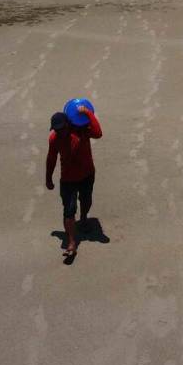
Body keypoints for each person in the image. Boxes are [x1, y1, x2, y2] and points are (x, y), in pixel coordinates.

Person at [46, 106, 103, 258]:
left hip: (87, 174)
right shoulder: (54, 138)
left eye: (62, 128)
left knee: (86, 201)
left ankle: (84, 218)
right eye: (56, 129)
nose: (59, 132)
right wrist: (48, 178)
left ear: (68, 124)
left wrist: (87, 113)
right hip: (68, 179)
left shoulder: (81, 130)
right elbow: (51, 159)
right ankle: (72, 242)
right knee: (69, 210)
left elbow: (98, 133)